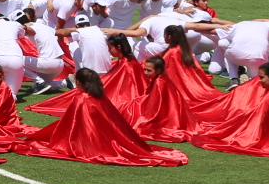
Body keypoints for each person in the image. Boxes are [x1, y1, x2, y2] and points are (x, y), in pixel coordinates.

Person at [12, 68, 189, 166]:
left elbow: (70, 126)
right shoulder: (100, 97)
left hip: (91, 143)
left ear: (79, 83)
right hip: (108, 138)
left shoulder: (81, 99)